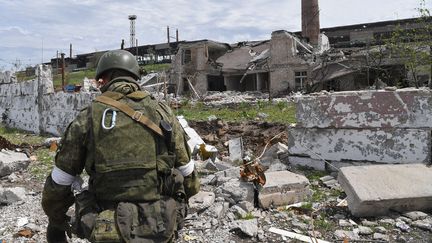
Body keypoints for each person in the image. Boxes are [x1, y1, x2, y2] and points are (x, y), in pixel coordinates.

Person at [42, 50, 200, 243]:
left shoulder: (88, 116)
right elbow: (189, 178)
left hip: (105, 225)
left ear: (104, 79)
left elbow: (60, 181)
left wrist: (57, 221)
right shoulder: (162, 112)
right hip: (160, 225)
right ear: (135, 78)